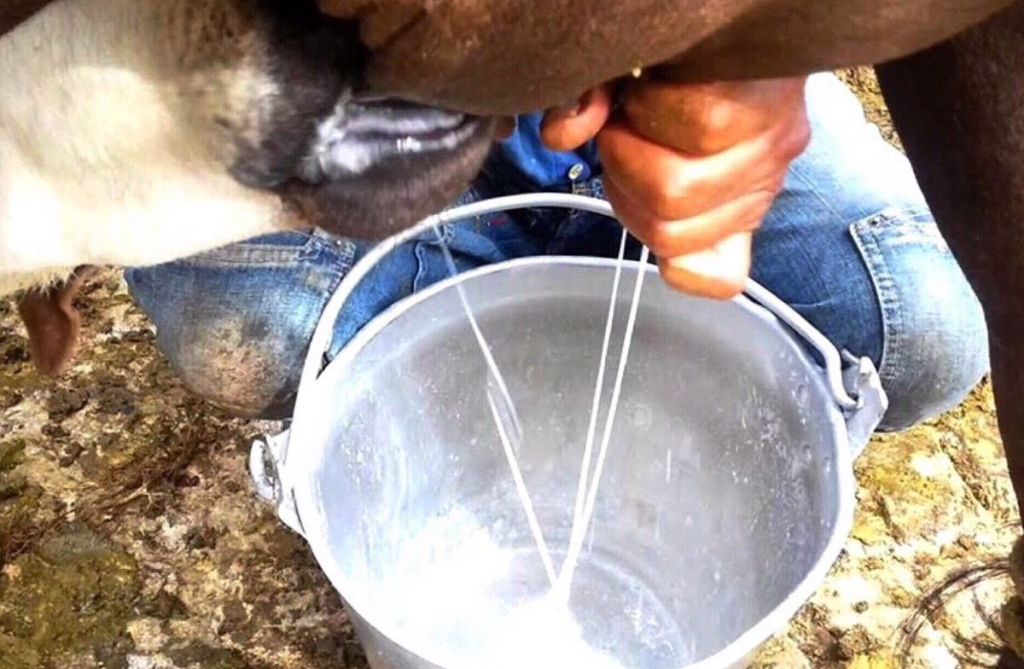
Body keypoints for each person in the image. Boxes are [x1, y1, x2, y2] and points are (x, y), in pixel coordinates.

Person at [124, 73, 988, 431]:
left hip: (676, 75)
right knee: (254, 328)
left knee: (917, 328)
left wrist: (754, 70)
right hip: (371, 118)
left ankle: (608, 406)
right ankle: (490, 351)